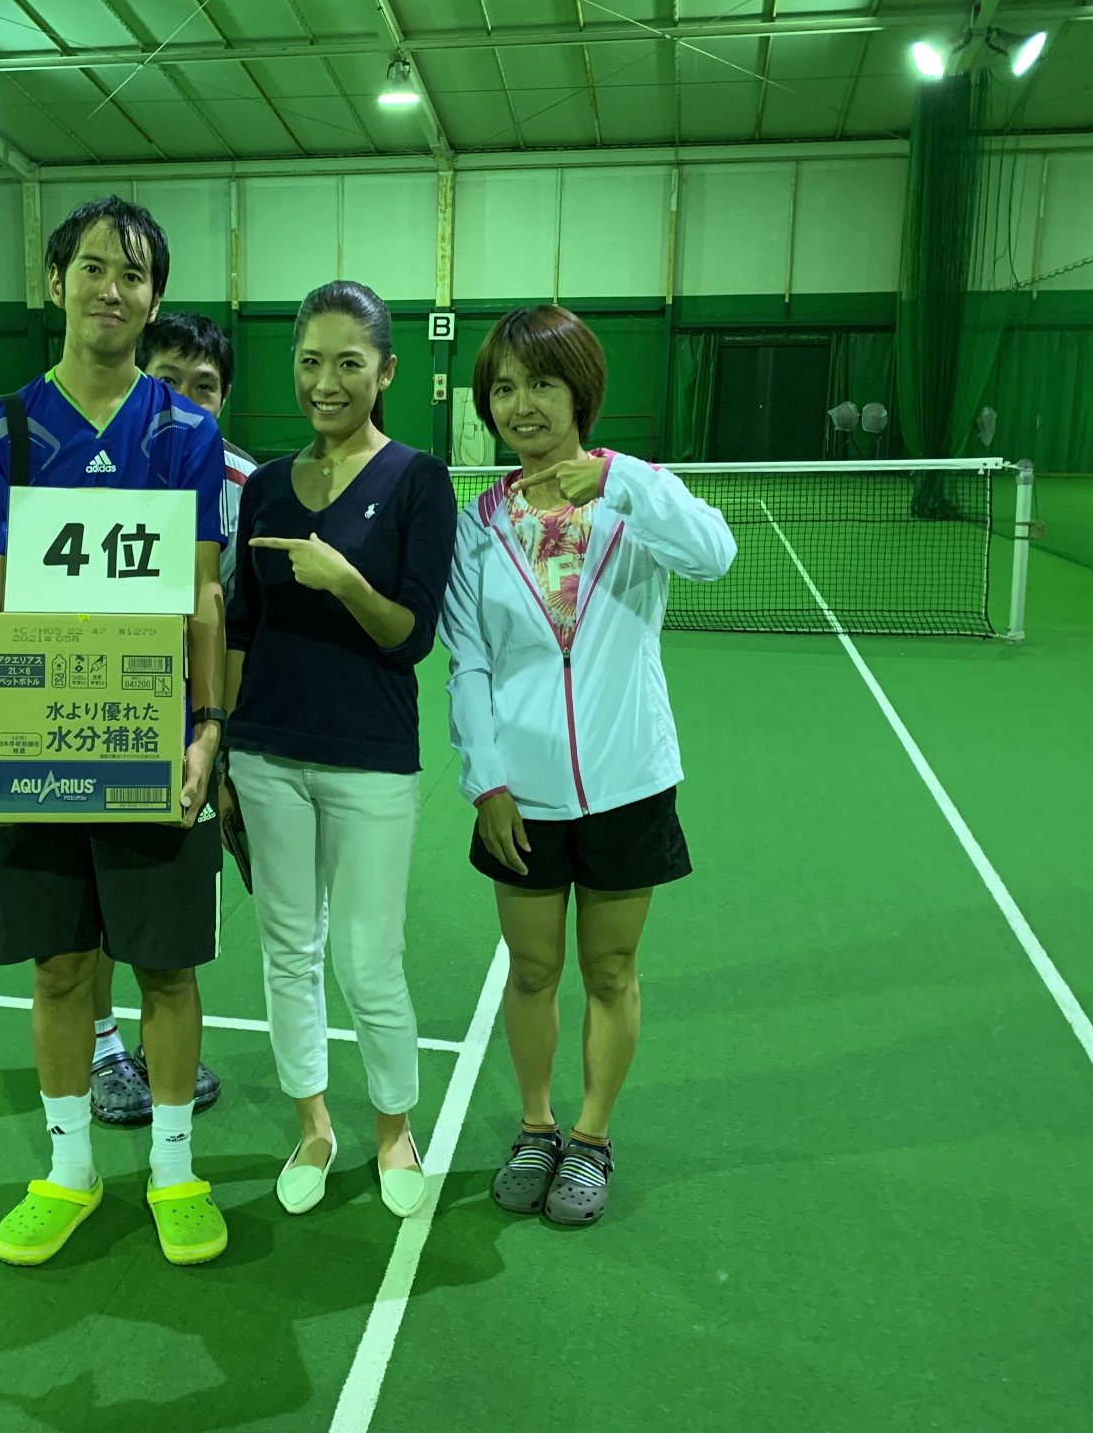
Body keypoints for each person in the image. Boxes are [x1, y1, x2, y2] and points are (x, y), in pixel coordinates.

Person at [0, 196, 231, 1268]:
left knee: (166, 969)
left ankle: (174, 1172)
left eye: (136, 275)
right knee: (62, 968)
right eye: (96, 268)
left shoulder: (185, 432)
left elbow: (203, 595)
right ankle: (69, 1171)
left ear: (154, 300)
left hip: (151, 735)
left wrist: (205, 731)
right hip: (40, 736)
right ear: (56, 281)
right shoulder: (1, 428)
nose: (114, 289)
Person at [440, 305, 735, 1227]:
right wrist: (486, 780)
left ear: (580, 393)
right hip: (520, 794)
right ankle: (537, 1127)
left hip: (628, 783)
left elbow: (715, 556)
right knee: (532, 971)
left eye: (542, 383)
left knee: (610, 970)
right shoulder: (479, 524)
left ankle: (593, 1137)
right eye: (504, 388)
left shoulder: (635, 498)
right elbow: (468, 663)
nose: (521, 405)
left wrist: (623, 481)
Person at [222, 280, 457, 1219]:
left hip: (370, 758)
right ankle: (313, 1126)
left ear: (386, 371)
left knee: (368, 961)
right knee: (289, 951)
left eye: (349, 363)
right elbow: (241, 626)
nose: (327, 382)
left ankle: (394, 1130)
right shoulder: (266, 486)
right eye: (311, 361)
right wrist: (227, 751)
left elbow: (411, 636)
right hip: (265, 755)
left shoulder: (419, 481)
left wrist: (344, 579)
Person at [85, 310, 258, 1128]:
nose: (186, 400)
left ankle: (162, 1053)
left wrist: (222, 746)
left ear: (224, 399)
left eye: (205, 387)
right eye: (167, 381)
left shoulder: (245, 488)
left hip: (192, 733)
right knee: (89, 909)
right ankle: (100, 1048)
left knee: (167, 918)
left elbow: (241, 627)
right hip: (94, 712)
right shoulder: (89, 468)